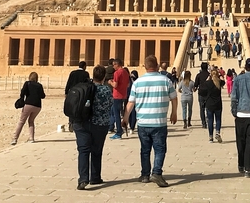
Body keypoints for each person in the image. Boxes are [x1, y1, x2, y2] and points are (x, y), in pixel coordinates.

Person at [123, 55, 177, 187]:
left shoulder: (137, 82)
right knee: (160, 149)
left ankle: (145, 175)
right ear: (157, 66)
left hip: (143, 122)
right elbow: (174, 98)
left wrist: (124, 118)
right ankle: (157, 173)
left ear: (145, 67)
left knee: (145, 150)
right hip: (159, 121)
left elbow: (130, 103)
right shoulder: (166, 81)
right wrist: (174, 112)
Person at [71, 66, 113, 189]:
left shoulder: (84, 88)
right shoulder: (106, 90)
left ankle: (83, 179)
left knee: (83, 151)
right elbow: (109, 105)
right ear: (104, 77)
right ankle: (95, 177)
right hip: (99, 124)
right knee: (96, 150)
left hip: (82, 123)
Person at [12, 71, 45, 145]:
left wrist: (22, 99)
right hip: (38, 106)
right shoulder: (39, 85)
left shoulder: (27, 83)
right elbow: (43, 96)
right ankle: (31, 138)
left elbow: (22, 92)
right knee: (31, 121)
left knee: (21, 121)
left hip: (29, 104)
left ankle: (15, 139)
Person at [200, 68, 224, 143]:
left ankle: (210, 137)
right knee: (218, 119)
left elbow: (201, 90)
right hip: (218, 104)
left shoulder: (208, 83)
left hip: (209, 104)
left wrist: (207, 80)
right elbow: (223, 81)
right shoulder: (219, 82)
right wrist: (220, 77)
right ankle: (217, 132)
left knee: (210, 120)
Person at [109, 57, 130, 140]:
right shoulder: (125, 72)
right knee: (120, 113)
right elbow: (128, 84)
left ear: (117, 64)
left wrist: (110, 82)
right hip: (123, 95)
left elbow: (115, 85)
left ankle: (119, 132)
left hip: (117, 95)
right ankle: (121, 129)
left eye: (114, 65)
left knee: (116, 114)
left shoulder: (117, 73)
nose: (113, 67)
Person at [195, 62, 211, 128]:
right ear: (207, 67)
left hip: (201, 93)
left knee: (202, 109)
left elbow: (196, 85)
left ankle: (203, 123)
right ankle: (209, 121)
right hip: (208, 93)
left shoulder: (198, 75)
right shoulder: (209, 75)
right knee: (208, 108)